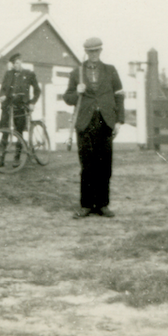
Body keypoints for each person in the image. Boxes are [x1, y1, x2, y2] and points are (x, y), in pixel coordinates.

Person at [63, 37, 125, 219]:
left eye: (97, 51)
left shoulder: (110, 70)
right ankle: (87, 205)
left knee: (105, 165)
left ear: (101, 51)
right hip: (85, 122)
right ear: (86, 52)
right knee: (87, 165)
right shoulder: (77, 73)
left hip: (105, 121)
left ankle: (103, 205)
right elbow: (67, 98)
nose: (94, 55)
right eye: (90, 52)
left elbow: (119, 95)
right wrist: (78, 92)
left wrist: (119, 120)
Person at [0, 53, 41, 167]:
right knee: (5, 130)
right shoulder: (8, 74)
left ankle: (16, 158)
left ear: (21, 62)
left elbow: (37, 90)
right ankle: (1, 158)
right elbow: (2, 89)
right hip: (8, 106)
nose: (15, 65)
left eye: (17, 63)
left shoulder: (29, 74)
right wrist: (2, 95)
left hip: (21, 107)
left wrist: (32, 102)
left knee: (19, 132)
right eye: (13, 64)